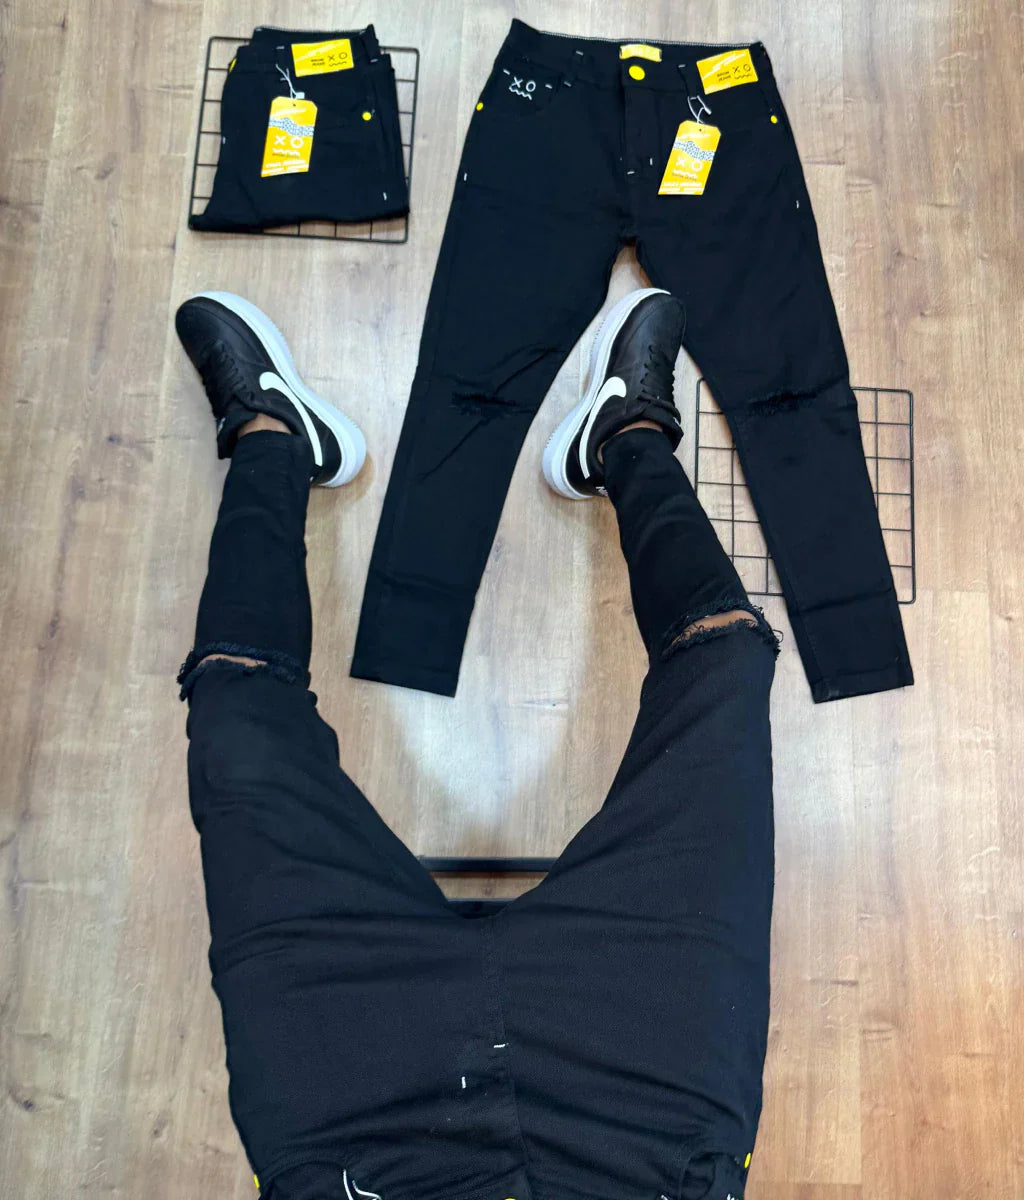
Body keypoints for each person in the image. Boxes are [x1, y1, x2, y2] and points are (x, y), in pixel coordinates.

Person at [174, 287, 779, 1200]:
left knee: (234, 713)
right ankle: (625, 435)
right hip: (638, 1141)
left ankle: (273, 434)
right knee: (728, 660)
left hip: (367, 1137)